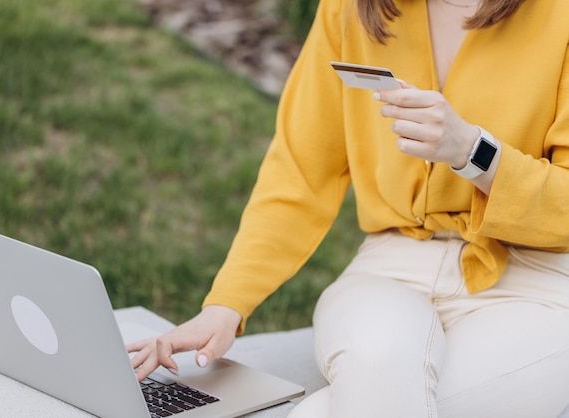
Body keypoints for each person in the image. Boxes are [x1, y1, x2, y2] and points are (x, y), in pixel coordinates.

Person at [127, 0, 569, 416]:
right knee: (377, 359)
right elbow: (301, 173)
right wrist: (225, 306)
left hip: (537, 279)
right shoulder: (352, 7)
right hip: (390, 266)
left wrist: (474, 151)